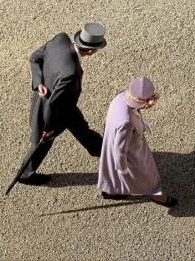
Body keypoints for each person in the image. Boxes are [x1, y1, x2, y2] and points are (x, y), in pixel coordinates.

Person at [18, 23, 107, 185]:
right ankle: (25, 174)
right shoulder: (70, 72)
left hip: (62, 104)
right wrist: (47, 127)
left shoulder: (61, 39)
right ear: (92, 51)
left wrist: (39, 83)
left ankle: (102, 150)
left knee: (82, 128)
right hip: (54, 109)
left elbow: (35, 57)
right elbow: (53, 104)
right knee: (43, 140)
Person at [98, 77, 178, 207]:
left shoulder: (123, 95)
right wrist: (123, 169)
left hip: (112, 139)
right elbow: (120, 151)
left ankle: (111, 190)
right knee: (148, 175)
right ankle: (156, 195)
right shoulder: (127, 122)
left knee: (110, 170)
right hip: (132, 151)